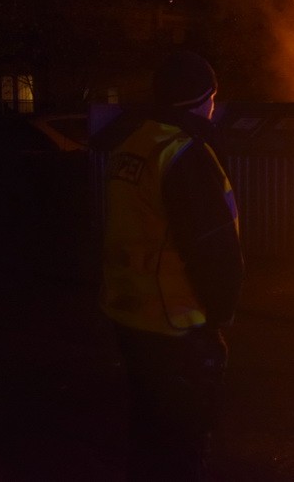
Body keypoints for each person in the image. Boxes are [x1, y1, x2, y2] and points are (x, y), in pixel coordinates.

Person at [96, 50, 244, 481]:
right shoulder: (184, 155)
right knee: (183, 443)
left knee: (147, 433)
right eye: (212, 95)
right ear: (201, 99)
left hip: (128, 315)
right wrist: (220, 316)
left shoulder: (134, 143)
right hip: (176, 324)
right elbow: (212, 250)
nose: (215, 105)